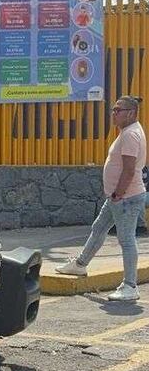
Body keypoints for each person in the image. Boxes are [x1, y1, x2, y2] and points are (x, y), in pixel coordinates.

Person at [56, 96, 148, 302]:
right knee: (99, 227)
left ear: (131, 113)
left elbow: (129, 169)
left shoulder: (130, 134)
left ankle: (130, 286)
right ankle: (80, 265)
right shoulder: (128, 131)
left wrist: (118, 194)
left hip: (125, 197)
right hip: (119, 197)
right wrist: (115, 195)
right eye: (113, 110)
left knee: (126, 240)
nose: (113, 114)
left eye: (118, 110)